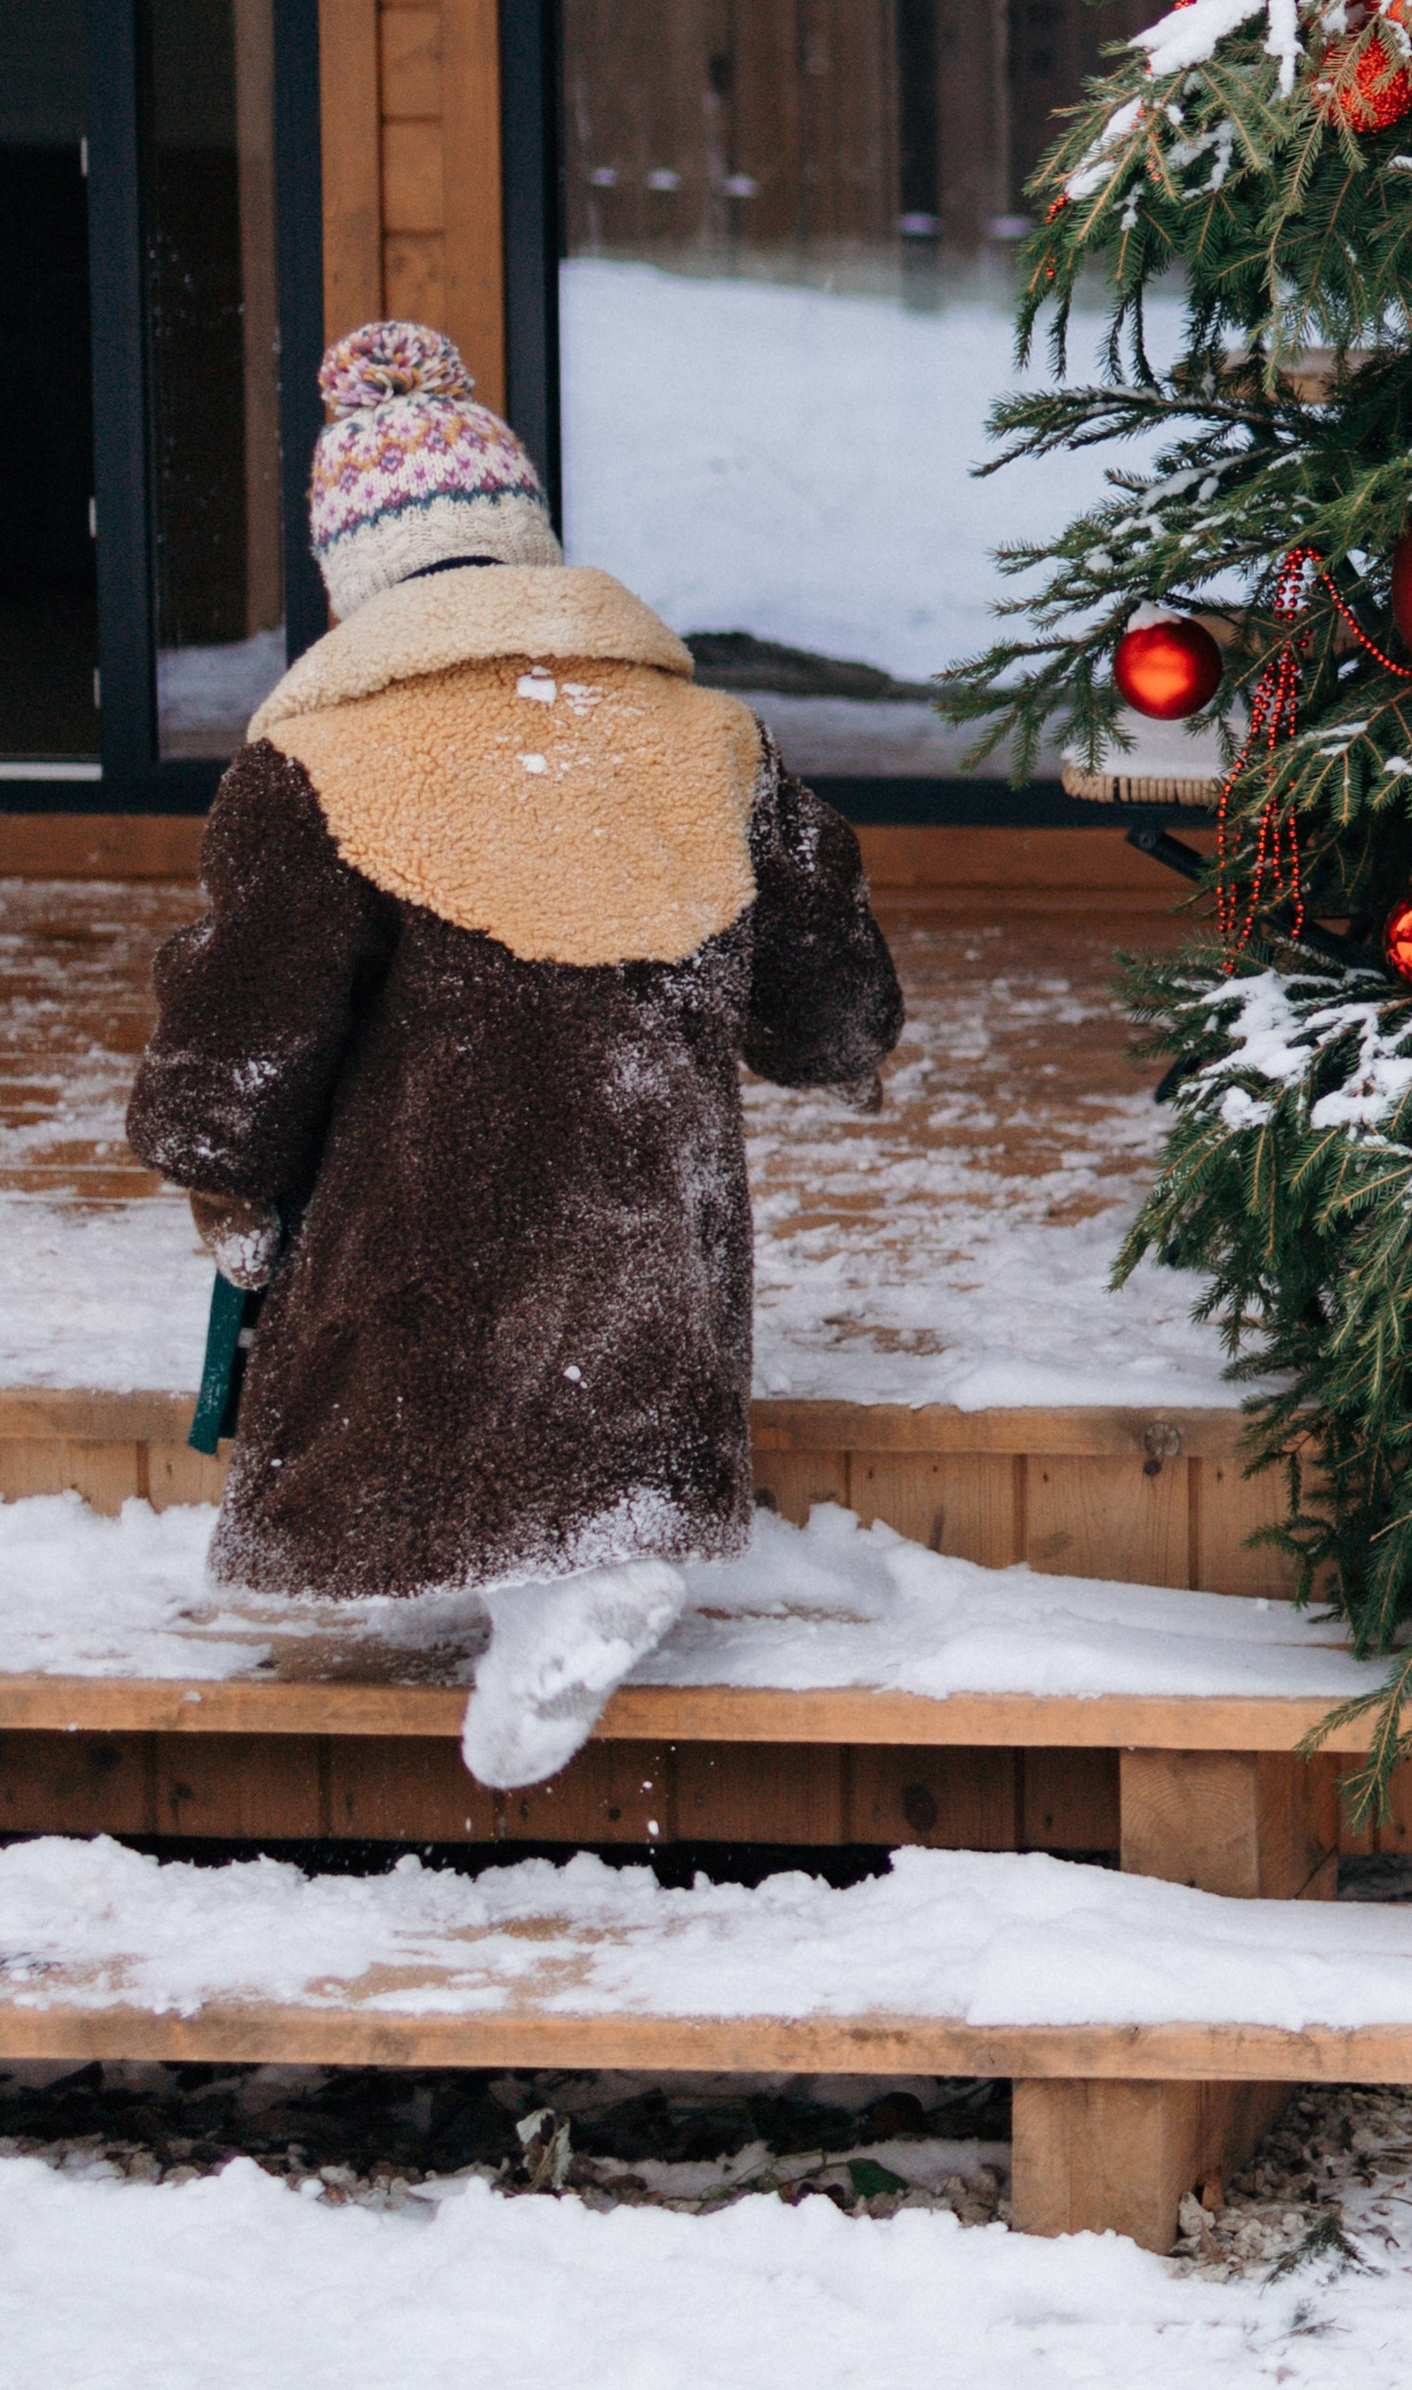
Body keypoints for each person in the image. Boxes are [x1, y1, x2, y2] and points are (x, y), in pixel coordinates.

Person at [126, 319, 902, 1789]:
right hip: (656, 1191)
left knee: (439, 1371)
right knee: (610, 1368)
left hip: (428, 1184)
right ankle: (579, 1571)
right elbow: (821, 963)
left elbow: (251, 1009)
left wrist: (222, 1170)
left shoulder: (315, 763)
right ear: (527, 539)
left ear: (351, 577)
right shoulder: (706, 733)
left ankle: (566, 1587)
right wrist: (841, 1037)